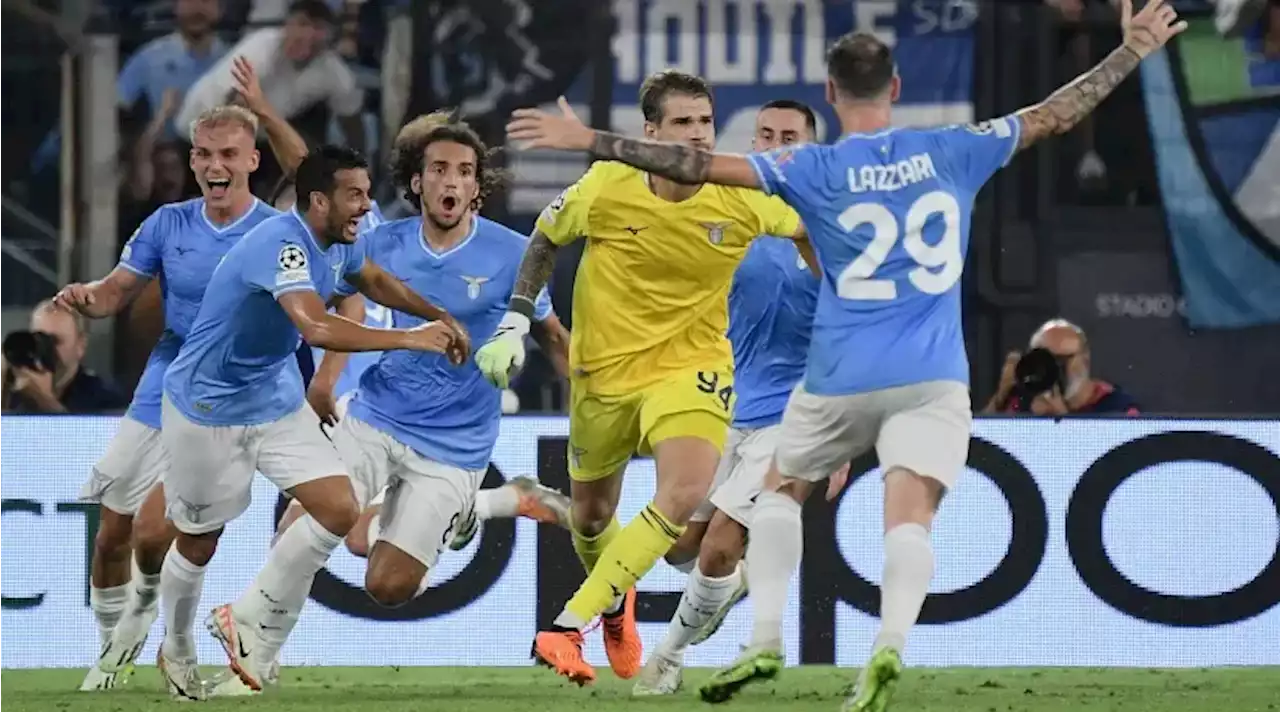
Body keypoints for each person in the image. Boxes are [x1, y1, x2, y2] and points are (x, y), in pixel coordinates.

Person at [502, 0, 1185, 707]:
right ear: (895, 89)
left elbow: (688, 164)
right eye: (760, 133)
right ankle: (883, 645)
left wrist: (589, 137)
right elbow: (1052, 115)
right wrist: (1129, 51)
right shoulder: (948, 149)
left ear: (830, 98)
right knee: (867, 521)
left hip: (822, 390)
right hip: (914, 378)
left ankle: (715, 640)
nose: (766, 143)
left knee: (748, 519)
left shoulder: (809, 176)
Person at [475, 70, 810, 686]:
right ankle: (615, 603)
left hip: (693, 369)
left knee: (683, 495)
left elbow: (811, 231)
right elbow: (545, 238)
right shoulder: (607, 184)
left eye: (706, 121)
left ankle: (567, 624)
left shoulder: (741, 193)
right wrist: (516, 321)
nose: (699, 136)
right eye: (683, 123)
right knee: (592, 520)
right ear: (650, 132)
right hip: (603, 378)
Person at [152, 145, 464, 699]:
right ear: (319, 200)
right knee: (199, 540)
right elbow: (315, 327)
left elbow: (373, 280)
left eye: (367, 195)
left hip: (274, 399)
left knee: (340, 507)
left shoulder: (340, 243)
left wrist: (438, 315)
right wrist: (410, 339)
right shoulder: (283, 245)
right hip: (207, 407)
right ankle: (176, 647)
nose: (366, 207)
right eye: (355, 195)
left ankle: (247, 622)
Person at [274, 112, 573, 565]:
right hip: (365, 405)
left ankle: (476, 506)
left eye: (460, 170)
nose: (448, 180)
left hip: (424, 418)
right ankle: (484, 506)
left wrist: (263, 112)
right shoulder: (366, 242)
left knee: (359, 541)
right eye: (437, 168)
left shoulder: (370, 229)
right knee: (332, 535)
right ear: (415, 179)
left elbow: (305, 164)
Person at [58, 104, 280, 692]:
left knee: (162, 532)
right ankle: (113, 645)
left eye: (228, 155)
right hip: (165, 380)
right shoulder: (167, 224)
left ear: (252, 161)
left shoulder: (274, 233)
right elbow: (116, 292)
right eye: (204, 155)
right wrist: (88, 297)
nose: (215, 166)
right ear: (192, 161)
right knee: (112, 529)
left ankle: (154, 625)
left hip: (230, 394)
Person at [633, 99, 842, 696]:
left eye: (789, 137)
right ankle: (732, 581)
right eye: (766, 135)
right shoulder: (728, 217)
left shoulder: (833, 225)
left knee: (720, 541)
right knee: (681, 546)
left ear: (810, 150)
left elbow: (851, 325)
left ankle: (668, 659)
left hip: (794, 418)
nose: (775, 145)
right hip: (721, 401)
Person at [1, 300, 128, 415]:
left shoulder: (106, 400)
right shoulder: (16, 386)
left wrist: (43, 399)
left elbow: (85, 438)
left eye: (55, 341)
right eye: (38, 338)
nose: (46, 349)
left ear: (80, 346)